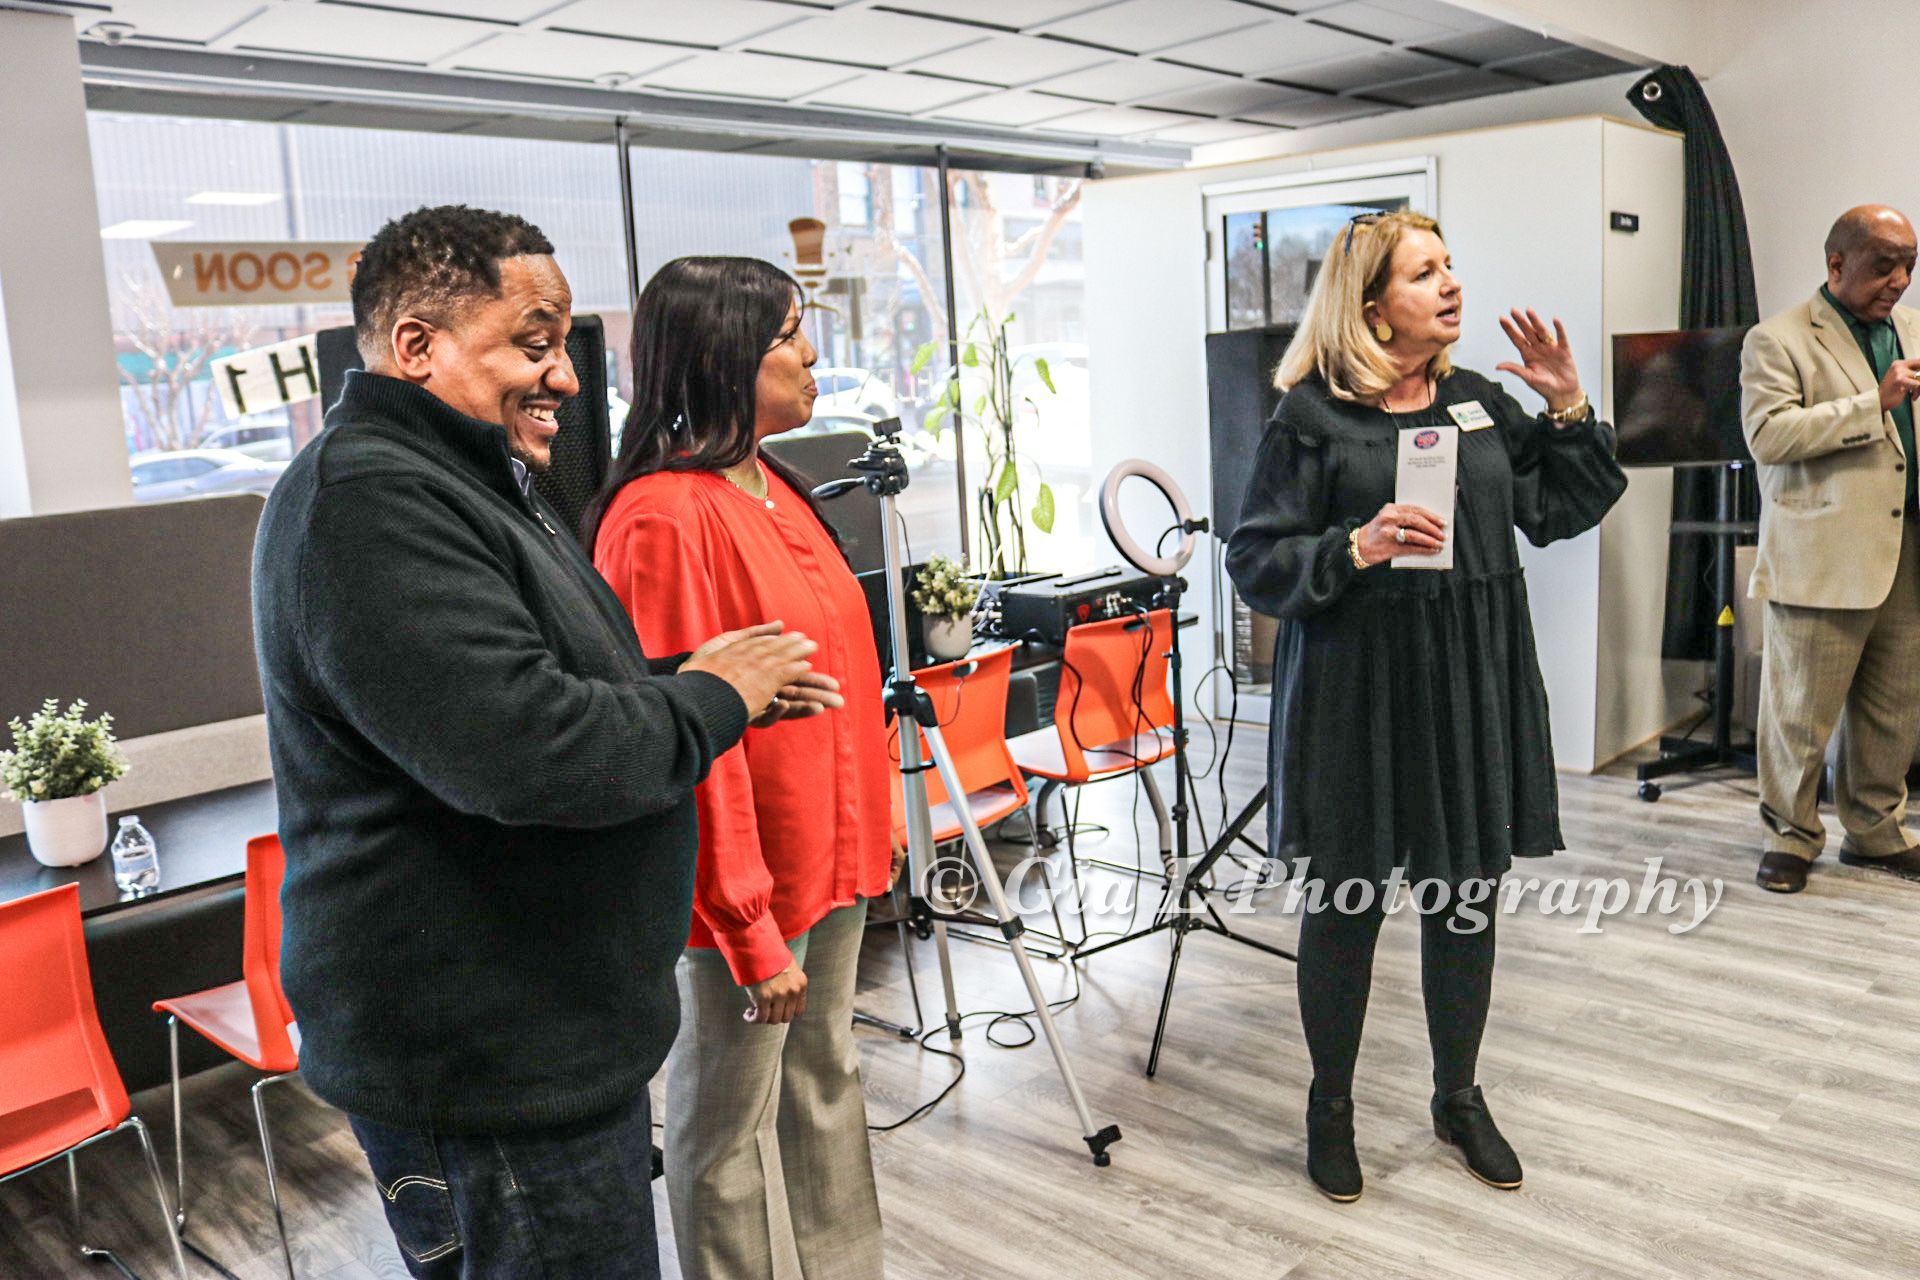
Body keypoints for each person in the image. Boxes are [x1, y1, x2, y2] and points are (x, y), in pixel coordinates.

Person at [253, 206, 830, 1278]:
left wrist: (701, 686)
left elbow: (541, 693)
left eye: (561, 343)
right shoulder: (369, 500)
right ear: (417, 345)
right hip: (490, 1073)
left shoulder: (469, 484)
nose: (564, 375)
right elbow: (530, 749)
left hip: (546, 1046)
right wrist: (707, 697)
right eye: (533, 341)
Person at [1225, 210, 1625, 1203]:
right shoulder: (1312, 418)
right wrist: (1351, 548)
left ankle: (1458, 1095)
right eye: (1424, 273)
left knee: (1464, 896)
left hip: (1469, 678)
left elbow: (1558, 509)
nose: (1450, 285)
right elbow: (1254, 558)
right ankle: (1330, 1105)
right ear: (1370, 308)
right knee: (1346, 905)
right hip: (1357, 687)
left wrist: (1570, 406)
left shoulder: (1483, 401)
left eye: (1452, 266)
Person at [586, 257, 895, 1280]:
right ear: (721, 357)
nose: (813, 356)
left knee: (826, 1080)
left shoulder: (778, 484)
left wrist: (875, 823)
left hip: (832, 857)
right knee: (727, 1124)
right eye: (789, 336)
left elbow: (840, 679)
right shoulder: (662, 514)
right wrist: (745, 922)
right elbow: (683, 733)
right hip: (746, 891)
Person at [1742, 204, 1920, 895]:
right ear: (1837, 264)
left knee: (1892, 709)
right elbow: (1768, 436)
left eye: (1910, 264)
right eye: (1884, 264)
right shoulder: (1777, 339)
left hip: (1904, 548)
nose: (1900, 280)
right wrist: (1870, 403)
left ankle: (1875, 833)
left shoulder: (1908, 330)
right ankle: (1789, 837)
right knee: (1799, 714)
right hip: (1821, 556)